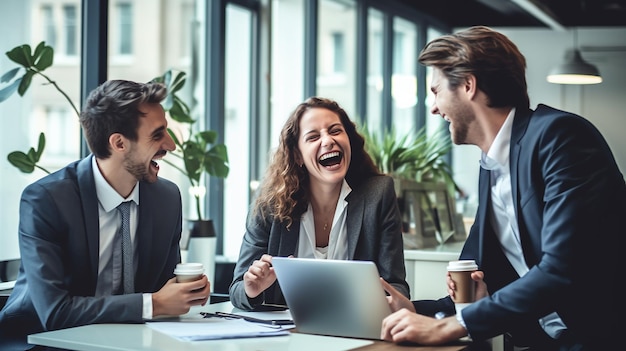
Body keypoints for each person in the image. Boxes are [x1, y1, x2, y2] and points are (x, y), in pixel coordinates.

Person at [380, 26, 626, 351]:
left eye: (436, 91)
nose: (433, 108)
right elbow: (476, 277)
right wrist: (418, 311)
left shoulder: (560, 137)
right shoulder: (492, 164)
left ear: (468, 85)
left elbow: (561, 269)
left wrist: (447, 328)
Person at [0, 80, 211, 349]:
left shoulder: (167, 198)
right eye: (157, 135)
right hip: (42, 342)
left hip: (131, 342)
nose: (170, 145)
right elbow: (54, 312)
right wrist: (154, 303)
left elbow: (164, 291)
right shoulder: (47, 200)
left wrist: (185, 292)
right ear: (119, 143)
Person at [229, 97, 410, 310]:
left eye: (335, 131)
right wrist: (252, 289)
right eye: (313, 137)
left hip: (354, 329)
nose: (328, 141)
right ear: (297, 156)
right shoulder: (270, 202)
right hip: (287, 335)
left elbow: (397, 286)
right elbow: (237, 290)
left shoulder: (378, 194)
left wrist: (384, 303)